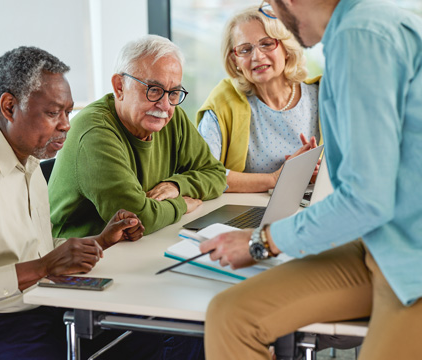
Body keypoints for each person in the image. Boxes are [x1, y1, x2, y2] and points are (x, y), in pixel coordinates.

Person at [199, 0, 422, 359]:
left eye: (270, 7)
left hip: (410, 256)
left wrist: (262, 241)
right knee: (230, 316)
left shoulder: (358, 36)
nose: (274, 13)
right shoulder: (356, 32)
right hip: (378, 241)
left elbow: (366, 199)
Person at [0, 46, 177, 360]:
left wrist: (99, 241)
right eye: (53, 113)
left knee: (163, 334)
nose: (66, 124)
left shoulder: (26, 159)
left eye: (68, 112)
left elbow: (29, 250)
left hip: (34, 305)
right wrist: (43, 267)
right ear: (10, 107)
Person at [48, 35, 226, 238]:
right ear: (119, 87)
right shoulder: (94, 133)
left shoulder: (170, 118)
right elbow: (137, 218)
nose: (165, 106)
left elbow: (217, 174)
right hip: (78, 256)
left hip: (138, 245)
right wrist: (182, 204)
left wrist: (177, 186)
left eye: (173, 93)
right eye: (153, 90)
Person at [197, 5, 321, 193]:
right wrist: (275, 179)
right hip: (245, 215)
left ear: (286, 48)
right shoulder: (223, 102)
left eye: (267, 44)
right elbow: (203, 173)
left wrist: (316, 175)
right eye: (245, 49)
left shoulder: (321, 96)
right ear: (234, 60)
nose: (257, 56)